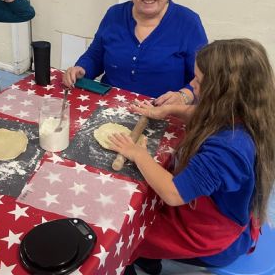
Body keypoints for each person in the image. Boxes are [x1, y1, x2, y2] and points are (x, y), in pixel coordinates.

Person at [108, 39, 275, 274]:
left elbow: (173, 193)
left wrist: (137, 153)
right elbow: (205, 115)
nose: (192, 85)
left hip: (211, 235)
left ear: (223, 92)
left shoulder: (229, 148)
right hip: (209, 210)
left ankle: (130, 262)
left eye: (198, 80)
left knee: (123, 234)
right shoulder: (245, 113)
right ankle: (149, 262)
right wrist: (170, 110)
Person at [63, 0, 207, 106]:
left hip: (161, 111)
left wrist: (184, 96)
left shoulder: (188, 22)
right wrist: (81, 68)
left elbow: (205, 77)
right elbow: (95, 56)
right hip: (109, 107)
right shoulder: (114, 14)